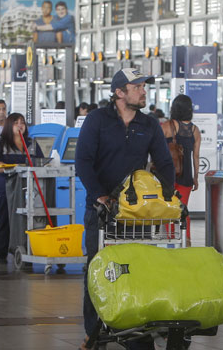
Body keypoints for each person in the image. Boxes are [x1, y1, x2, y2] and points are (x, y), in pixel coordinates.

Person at [75, 68, 174, 350]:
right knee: (98, 270)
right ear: (120, 92)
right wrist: (100, 196)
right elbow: (83, 161)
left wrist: (168, 197)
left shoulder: (149, 124)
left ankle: (137, 334)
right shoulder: (97, 120)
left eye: (145, 86)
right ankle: (94, 332)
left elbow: (164, 163)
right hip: (101, 211)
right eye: (138, 86)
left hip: (136, 213)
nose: (144, 91)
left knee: (138, 271)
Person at [0, 113, 43, 263]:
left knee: (25, 219)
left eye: (22, 123)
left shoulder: (31, 143)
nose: (20, 125)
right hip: (4, 187)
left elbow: (40, 161)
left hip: (26, 188)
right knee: (3, 219)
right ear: (8, 125)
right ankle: (0, 252)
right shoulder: (0, 143)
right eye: (16, 123)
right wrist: (2, 166)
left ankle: (24, 247)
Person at [161, 95, 201, 242]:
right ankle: (187, 239)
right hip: (186, 174)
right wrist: (196, 177)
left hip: (166, 175)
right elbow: (196, 157)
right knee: (183, 209)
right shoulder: (194, 130)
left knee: (168, 207)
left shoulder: (166, 126)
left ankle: (171, 239)